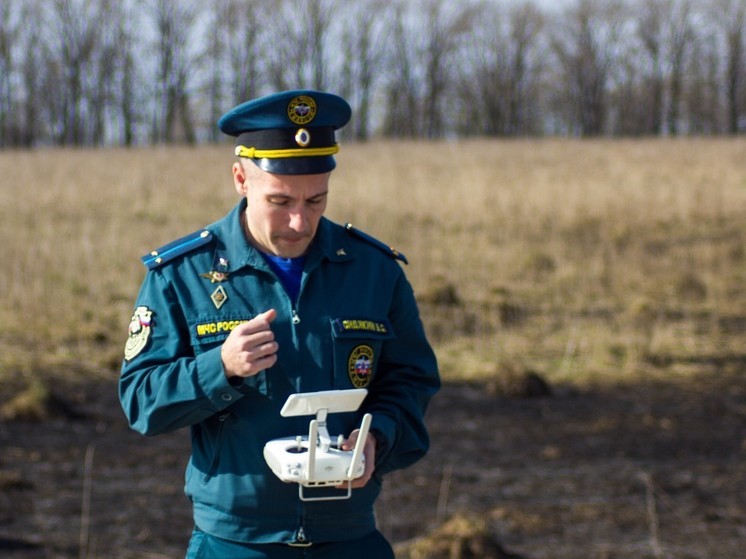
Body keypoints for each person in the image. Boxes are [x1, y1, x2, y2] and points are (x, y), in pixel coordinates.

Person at [118, 89, 440, 558]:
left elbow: (411, 380)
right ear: (240, 179)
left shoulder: (374, 269)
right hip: (234, 541)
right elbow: (140, 400)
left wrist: (378, 436)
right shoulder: (180, 274)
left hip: (349, 536)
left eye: (316, 200)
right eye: (280, 200)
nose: (298, 221)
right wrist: (221, 367)